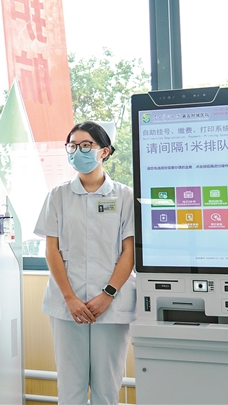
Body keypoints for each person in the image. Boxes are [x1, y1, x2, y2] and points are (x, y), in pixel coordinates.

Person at [34, 121, 136, 405]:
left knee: (107, 389)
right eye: (73, 146)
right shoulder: (58, 196)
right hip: (68, 304)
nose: (78, 151)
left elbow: (129, 252)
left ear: (104, 151)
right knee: (70, 389)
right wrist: (70, 298)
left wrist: (108, 294)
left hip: (111, 304)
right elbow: (52, 251)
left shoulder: (124, 196)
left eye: (86, 145)